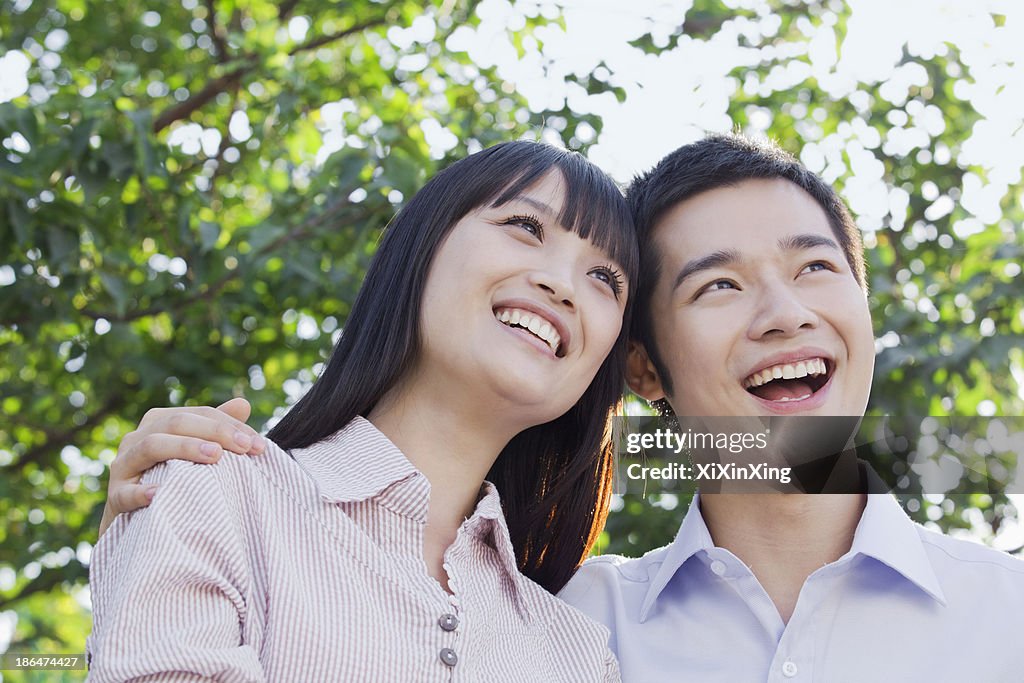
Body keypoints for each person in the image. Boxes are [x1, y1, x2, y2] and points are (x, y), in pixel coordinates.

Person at [99, 134, 1024, 681]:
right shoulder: (591, 620)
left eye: (816, 267)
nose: (784, 314)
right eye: (718, 286)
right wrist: (163, 520)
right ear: (642, 370)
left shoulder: (561, 636)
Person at [87, 140, 638, 682]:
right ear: (421, 246)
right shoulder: (216, 490)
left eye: (604, 279)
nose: (562, 284)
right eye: (525, 227)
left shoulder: (580, 655)